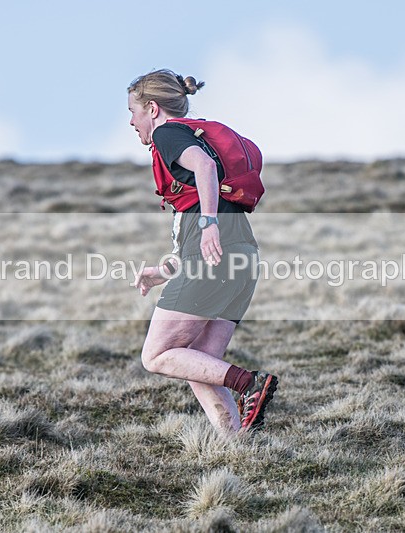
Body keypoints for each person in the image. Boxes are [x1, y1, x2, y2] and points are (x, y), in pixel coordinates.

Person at [128, 69, 278, 433]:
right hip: (243, 257)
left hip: (213, 256)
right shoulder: (193, 134)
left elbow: (205, 167)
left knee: (157, 355)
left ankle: (250, 384)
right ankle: (236, 445)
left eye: (132, 111)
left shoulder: (167, 133)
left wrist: (210, 222)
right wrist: (162, 272)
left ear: (152, 108)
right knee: (200, 361)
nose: (131, 122)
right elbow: (196, 230)